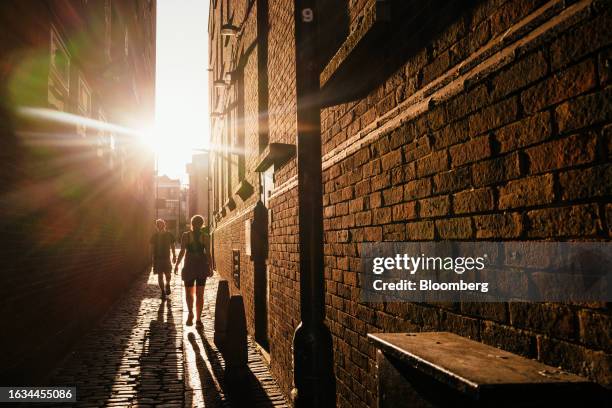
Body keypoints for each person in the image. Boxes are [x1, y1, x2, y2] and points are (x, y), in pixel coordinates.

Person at [175, 215, 212, 326]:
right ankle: (198, 320)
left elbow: (182, 252)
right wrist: (210, 267)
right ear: (202, 224)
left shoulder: (186, 235)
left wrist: (177, 264)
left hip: (189, 264)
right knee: (200, 294)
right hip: (201, 264)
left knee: (188, 292)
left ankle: (190, 313)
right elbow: (208, 253)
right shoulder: (205, 236)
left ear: (192, 223)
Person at [150, 219, 176, 299]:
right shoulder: (154, 236)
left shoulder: (169, 235)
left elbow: (172, 245)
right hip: (157, 258)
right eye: (158, 225)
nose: (160, 226)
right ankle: (162, 292)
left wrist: (174, 255)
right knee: (160, 276)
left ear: (164, 225)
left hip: (166, 258)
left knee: (168, 274)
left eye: (161, 224)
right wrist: (152, 258)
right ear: (157, 226)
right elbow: (152, 248)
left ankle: (167, 284)